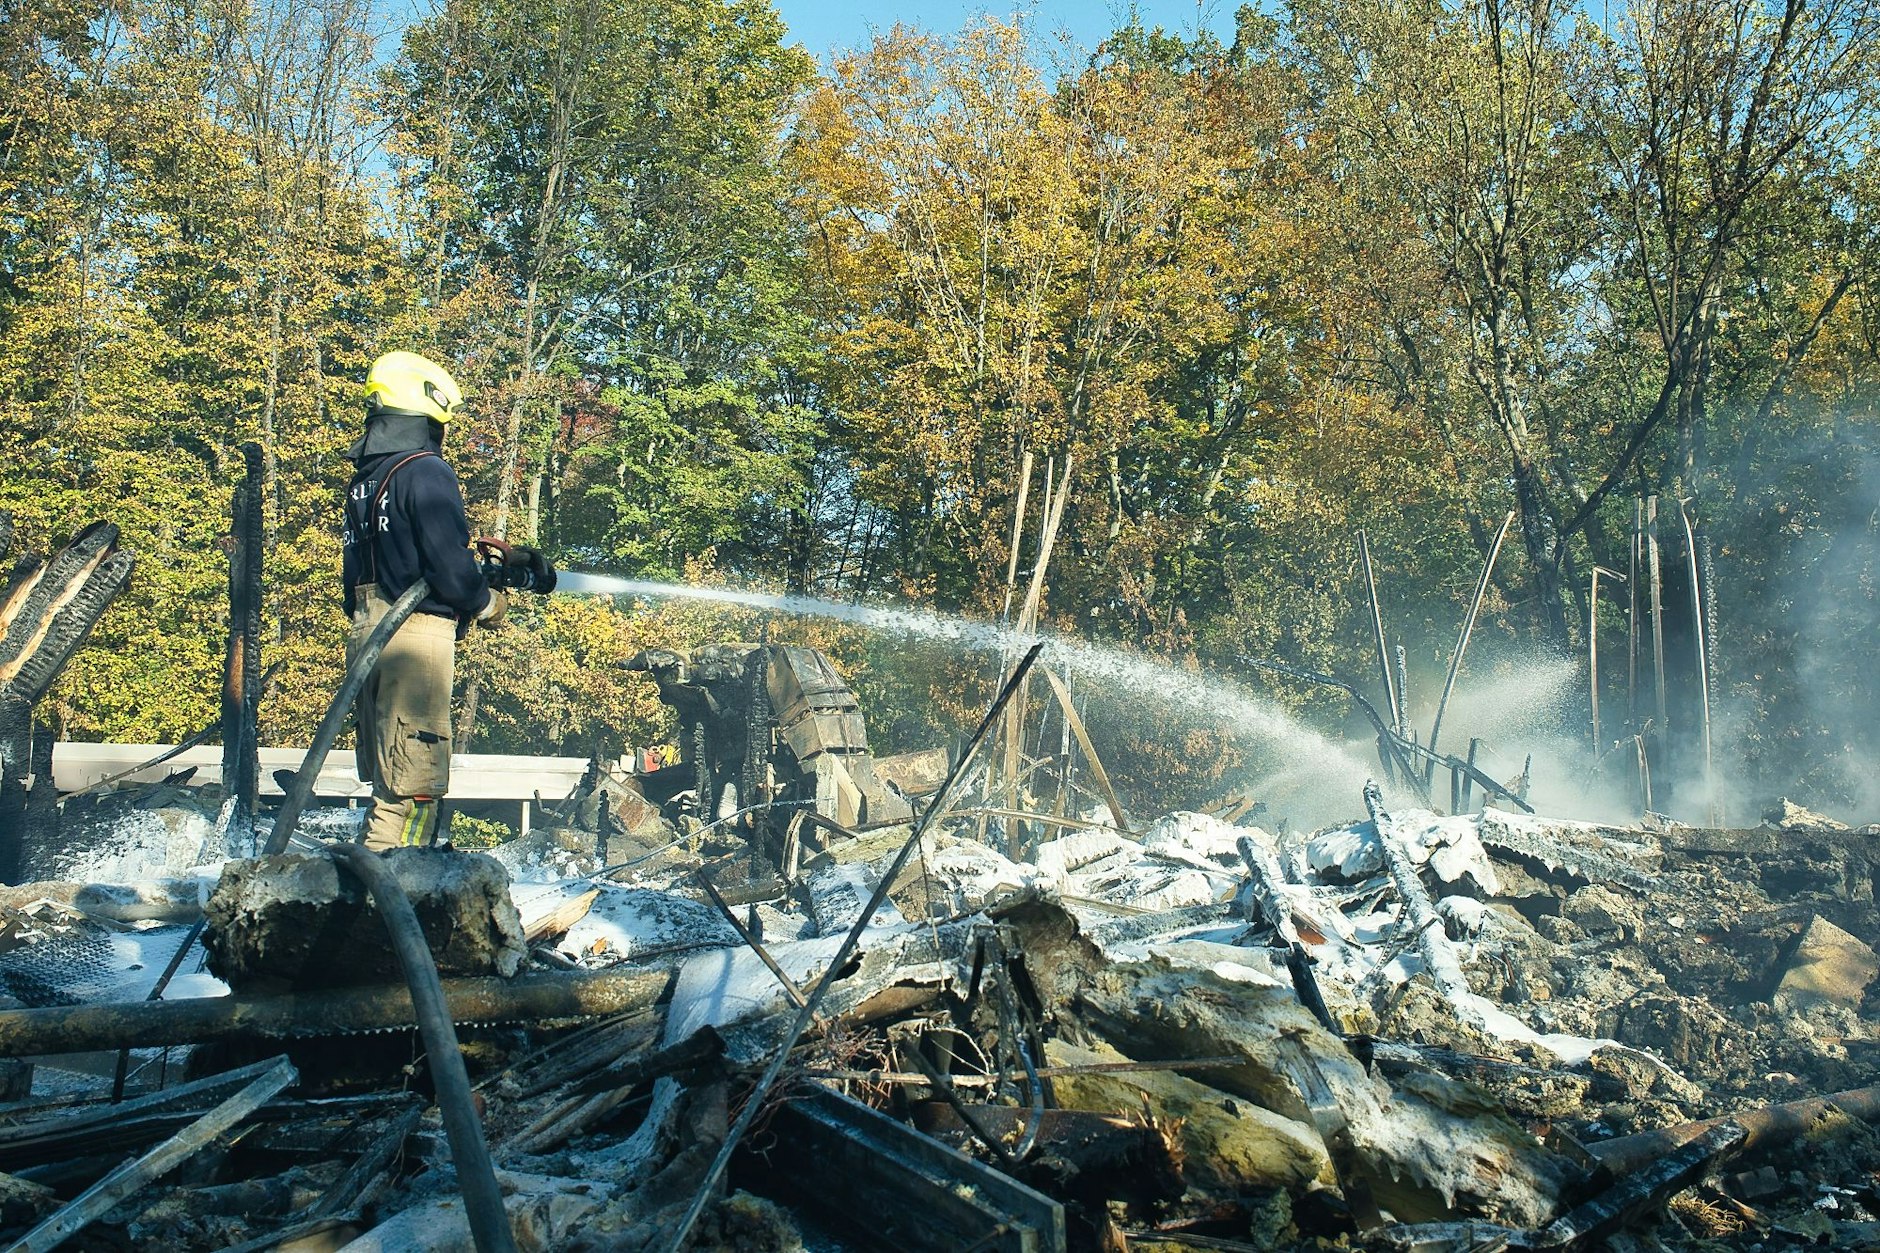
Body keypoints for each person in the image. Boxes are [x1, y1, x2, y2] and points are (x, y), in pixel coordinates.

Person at [341, 350, 509, 851]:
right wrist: (485, 603)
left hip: (367, 630)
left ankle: (373, 875)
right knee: (415, 783)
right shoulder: (426, 470)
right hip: (414, 635)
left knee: (388, 777)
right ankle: (401, 880)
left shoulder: (366, 481)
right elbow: (448, 566)